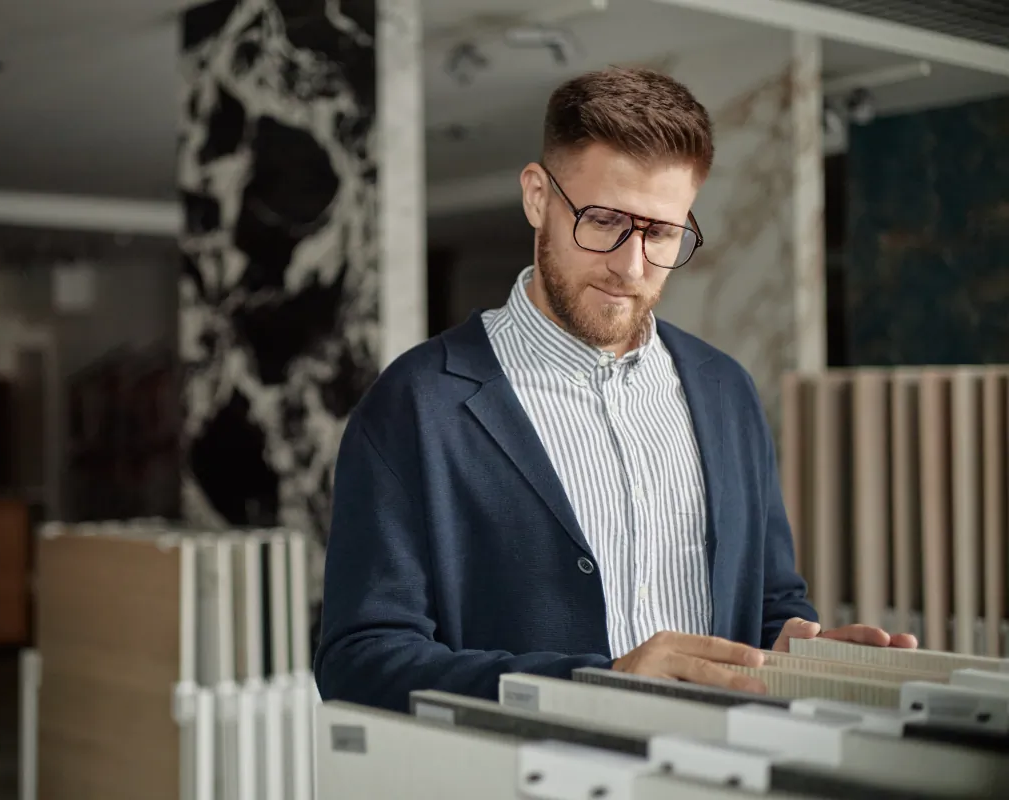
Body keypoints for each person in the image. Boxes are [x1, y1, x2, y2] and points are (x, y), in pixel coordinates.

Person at [314, 66, 916, 713]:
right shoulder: (413, 405)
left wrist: (799, 651)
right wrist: (595, 685)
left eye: (660, 233)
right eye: (603, 220)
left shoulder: (725, 391)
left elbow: (770, 599)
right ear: (538, 196)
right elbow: (360, 661)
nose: (630, 266)